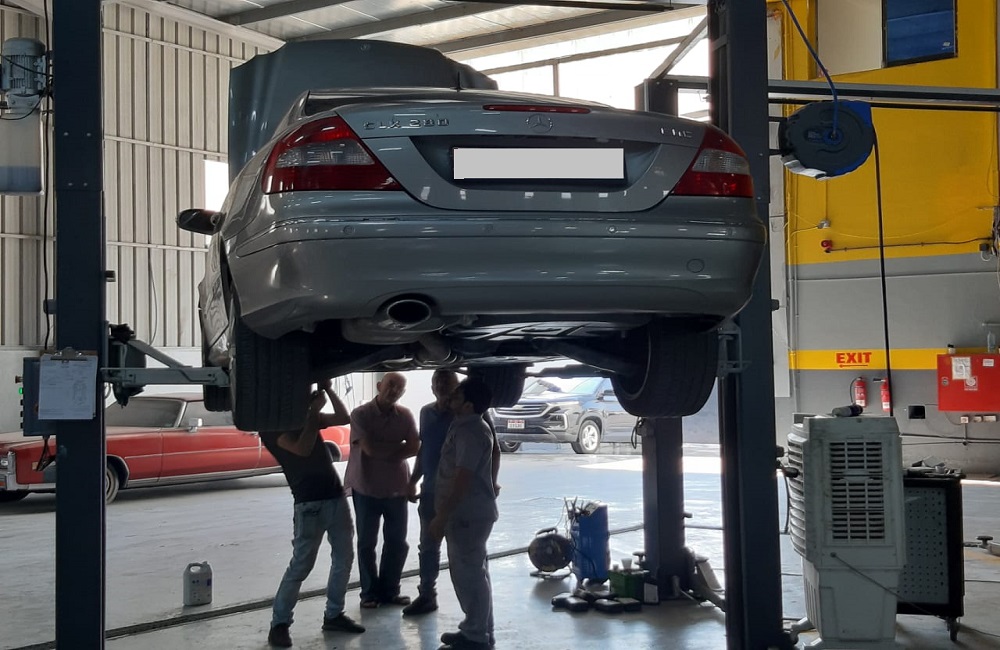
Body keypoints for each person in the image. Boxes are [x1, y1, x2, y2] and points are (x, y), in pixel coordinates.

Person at [260, 380, 365, 648]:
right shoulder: (271, 427)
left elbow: (343, 417)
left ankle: (334, 615)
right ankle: (279, 624)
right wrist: (313, 414)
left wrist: (328, 390)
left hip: (334, 497)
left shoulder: (306, 416)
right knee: (301, 566)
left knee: (343, 558)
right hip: (309, 503)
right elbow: (302, 449)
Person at [405, 370, 502, 617]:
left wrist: (491, 483)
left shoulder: (472, 419)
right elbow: (424, 449)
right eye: (437, 380)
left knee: (469, 563)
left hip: (461, 500)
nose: (441, 385)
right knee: (429, 547)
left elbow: (492, 452)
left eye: (448, 382)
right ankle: (427, 595)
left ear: (458, 389)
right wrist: (413, 480)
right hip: (431, 491)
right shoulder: (427, 413)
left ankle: (478, 627)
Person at [430, 378, 499, 650]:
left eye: (457, 394)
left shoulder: (470, 431)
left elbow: (462, 479)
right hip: (470, 514)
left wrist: (441, 516)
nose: (451, 396)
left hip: (467, 515)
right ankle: (478, 631)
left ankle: (476, 637)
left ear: (468, 405)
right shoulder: (466, 425)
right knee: (475, 573)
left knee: (469, 576)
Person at [344, 371, 420, 608]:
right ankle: (368, 594)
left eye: (399, 387)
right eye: (390, 385)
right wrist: (398, 449)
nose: (394, 390)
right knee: (367, 543)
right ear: (379, 386)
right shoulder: (360, 414)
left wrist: (384, 449)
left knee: (397, 542)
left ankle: (390, 591)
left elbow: (415, 447)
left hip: (396, 488)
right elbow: (370, 450)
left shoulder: (405, 415)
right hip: (365, 487)